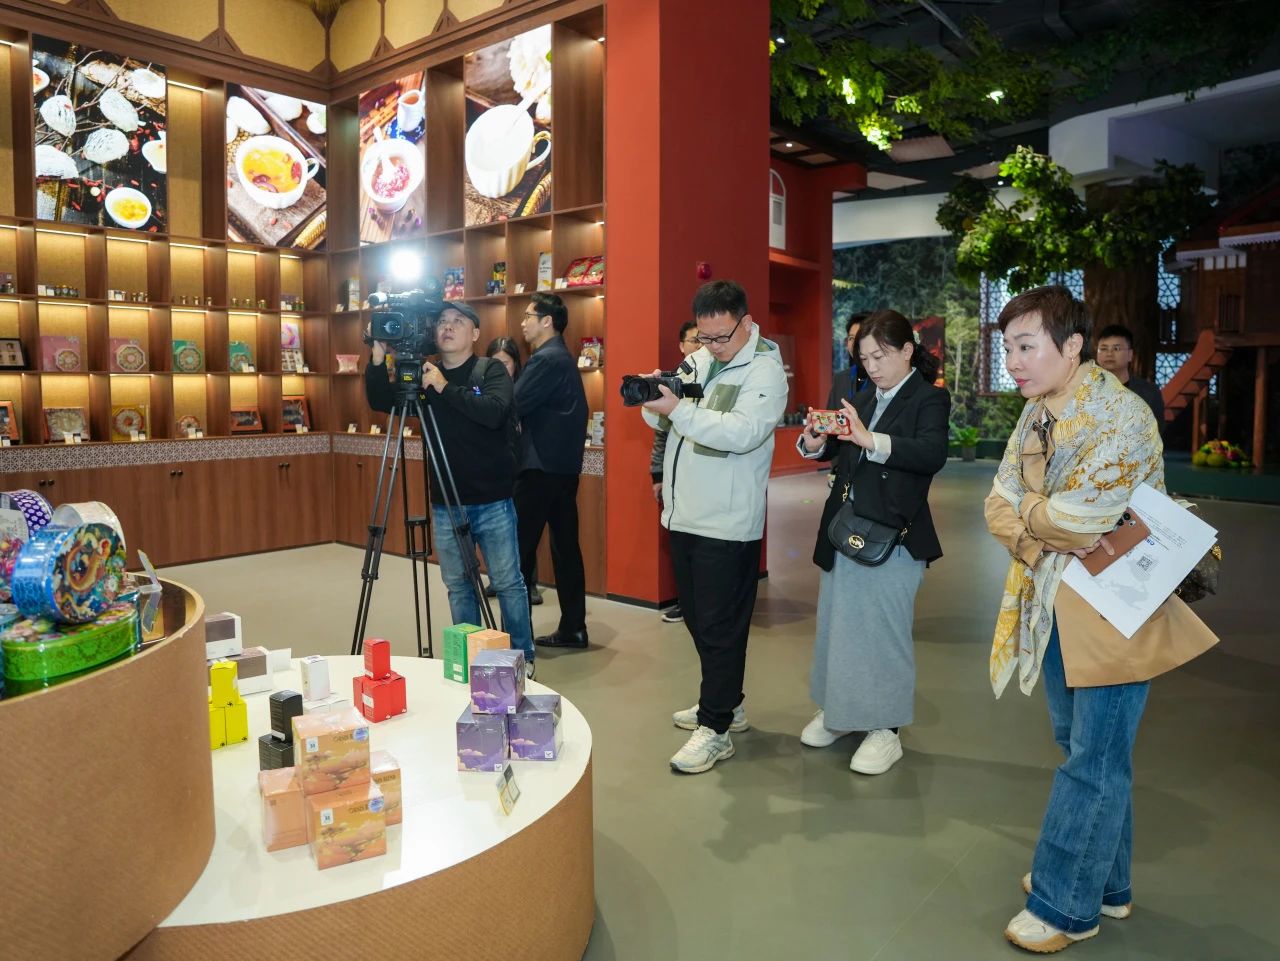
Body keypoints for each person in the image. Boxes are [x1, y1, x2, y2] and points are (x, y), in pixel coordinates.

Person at [983, 286, 1217, 953]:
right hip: (1055, 596)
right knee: (1083, 745)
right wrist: (1041, 530)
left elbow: (1082, 518)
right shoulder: (1036, 411)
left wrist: (1035, 515)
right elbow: (998, 503)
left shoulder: (1122, 413)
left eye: (1026, 346)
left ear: (1072, 345)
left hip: (1116, 605)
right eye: (1009, 348)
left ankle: (1066, 903)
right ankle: (1109, 885)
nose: (1014, 362)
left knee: (1094, 756)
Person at [640, 279, 788, 774]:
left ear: (747, 322)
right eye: (704, 337)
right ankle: (727, 704)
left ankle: (716, 727)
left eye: (722, 336)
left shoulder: (766, 370)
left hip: (727, 522)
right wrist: (655, 398)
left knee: (721, 627)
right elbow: (663, 422)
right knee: (700, 621)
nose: (713, 346)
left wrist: (678, 409)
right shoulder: (701, 358)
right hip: (684, 514)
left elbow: (742, 433)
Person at [797, 309, 949, 774]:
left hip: (893, 534)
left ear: (908, 351)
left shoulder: (929, 398)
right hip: (844, 528)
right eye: (864, 358)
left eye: (881, 356)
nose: (872, 366)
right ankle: (839, 712)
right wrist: (814, 441)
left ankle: (885, 728)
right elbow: (836, 450)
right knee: (837, 625)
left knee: (883, 635)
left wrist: (871, 440)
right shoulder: (862, 397)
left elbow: (931, 454)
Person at [365, 302, 535, 676]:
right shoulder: (423, 373)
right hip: (445, 501)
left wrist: (444, 388)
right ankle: (472, 661)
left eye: (458, 321)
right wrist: (377, 358)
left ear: (475, 333)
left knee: (508, 583)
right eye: (442, 321)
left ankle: (523, 659)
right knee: (458, 586)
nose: (448, 326)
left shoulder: (489, 370)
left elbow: (494, 412)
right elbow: (381, 401)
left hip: (492, 499)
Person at [515, 293, 590, 649]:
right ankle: (574, 627)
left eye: (528, 316)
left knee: (519, 551)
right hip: (562, 468)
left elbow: (512, 404)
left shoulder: (545, 359)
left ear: (547, 321)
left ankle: (518, 639)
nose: (523, 323)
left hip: (539, 468)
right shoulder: (562, 357)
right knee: (565, 549)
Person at [483, 337, 542, 606]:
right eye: (495, 362)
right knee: (495, 528)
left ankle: (529, 583)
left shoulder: (522, 388)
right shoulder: (482, 388)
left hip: (523, 466)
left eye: (505, 363)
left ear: (516, 364)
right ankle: (498, 578)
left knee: (523, 528)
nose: (500, 368)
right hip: (494, 467)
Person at [650, 320, 702, 624]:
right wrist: (657, 475)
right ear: (681, 346)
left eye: (702, 340)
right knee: (679, 545)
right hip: (674, 479)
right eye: (693, 340)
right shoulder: (671, 382)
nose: (699, 345)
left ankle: (698, 605)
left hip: (704, 481)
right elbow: (660, 434)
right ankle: (685, 603)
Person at [1095, 323, 1164, 430]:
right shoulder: (1083, 389)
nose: (1109, 354)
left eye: (1116, 349)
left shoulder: (1149, 393)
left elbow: (1157, 433)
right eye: (1103, 349)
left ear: (1130, 354)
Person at [827, 311, 872, 408]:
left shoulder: (885, 379)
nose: (855, 344)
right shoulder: (840, 379)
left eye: (861, 337)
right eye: (851, 338)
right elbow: (831, 414)